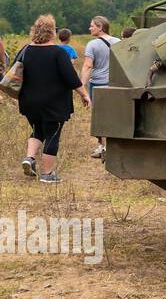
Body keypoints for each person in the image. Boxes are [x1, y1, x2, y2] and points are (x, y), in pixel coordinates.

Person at [18, 14, 87, 183]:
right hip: (53, 102)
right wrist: (84, 94)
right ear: (52, 32)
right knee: (52, 134)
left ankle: (29, 158)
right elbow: (71, 78)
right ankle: (47, 174)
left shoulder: (25, 50)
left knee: (37, 130)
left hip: (29, 102)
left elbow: (15, 73)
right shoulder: (58, 52)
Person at [81, 16, 119, 159]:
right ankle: (111, 146)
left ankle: (102, 147)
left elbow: (88, 65)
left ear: (100, 27)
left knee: (99, 117)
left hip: (98, 84)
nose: (89, 28)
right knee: (113, 115)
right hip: (115, 84)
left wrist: (82, 85)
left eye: (92, 26)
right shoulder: (118, 42)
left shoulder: (92, 44)